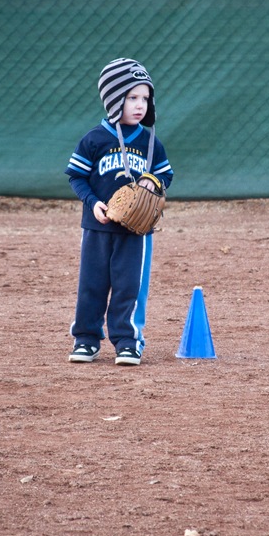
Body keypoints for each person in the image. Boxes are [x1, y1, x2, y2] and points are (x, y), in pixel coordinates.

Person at [64, 58, 173, 366]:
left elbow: (166, 175)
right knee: (91, 286)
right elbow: (77, 176)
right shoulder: (94, 139)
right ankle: (86, 340)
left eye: (145, 98)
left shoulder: (151, 143)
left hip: (136, 232)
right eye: (131, 97)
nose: (140, 105)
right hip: (97, 227)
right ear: (113, 99)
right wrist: (92, 202)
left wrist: (153, 182)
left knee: (130, 288)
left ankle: (128, 342)